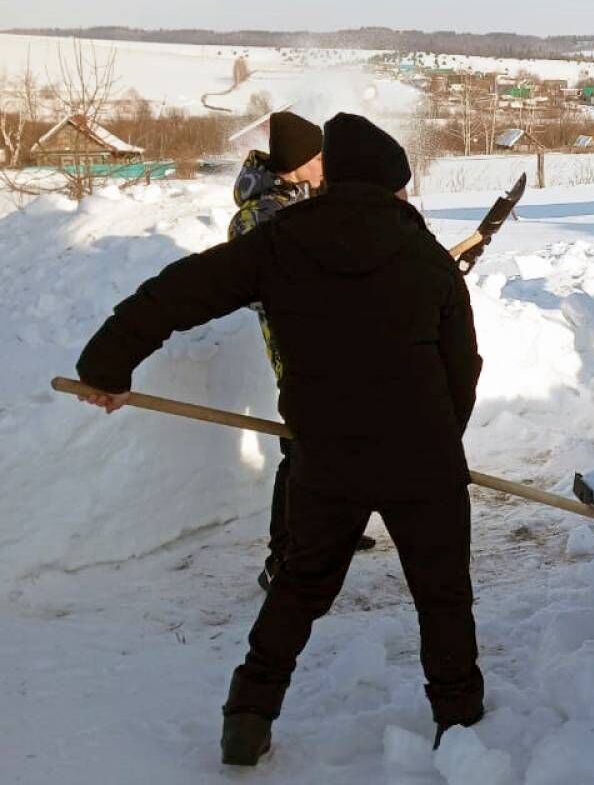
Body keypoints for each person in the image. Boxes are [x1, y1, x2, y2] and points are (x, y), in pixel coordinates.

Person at [73, 113, 485, 766]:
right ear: (389, 184)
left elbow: (176, 294)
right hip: (423, 459)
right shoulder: (426, 255)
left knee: (299, 586)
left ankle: (249, 713)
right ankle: (460, 722)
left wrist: (105, 366)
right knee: (442, 594)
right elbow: (463, 366)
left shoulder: (280, 242)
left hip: (325, 456)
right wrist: (440, 434)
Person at [228, 111, 375, 592]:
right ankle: (282, 558)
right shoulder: (261, 218)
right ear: (297, 163)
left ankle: (336, 530)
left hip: (332, 344)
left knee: (342, 443)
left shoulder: (299, 201)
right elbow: (256, 289)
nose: (325, 165)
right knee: (302, 452)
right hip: (300, 353)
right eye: (318, 157)